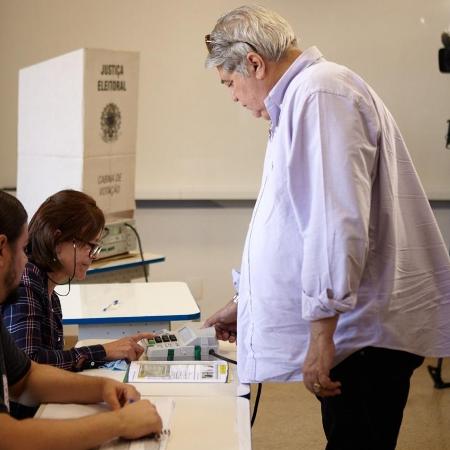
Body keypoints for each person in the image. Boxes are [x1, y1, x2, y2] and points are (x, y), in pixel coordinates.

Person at [203, 5, 450, 450]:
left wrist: (322, 336)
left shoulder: (320, 94)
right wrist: (247, 301)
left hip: (362, 340)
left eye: (229, 82)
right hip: (355, 334)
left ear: (254, 63)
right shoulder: (306, 97)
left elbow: (336, 226)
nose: (234, 97)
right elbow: (294, 228)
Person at [0, 190, 162, 449]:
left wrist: (102, 388)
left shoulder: (47, 292)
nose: (25, 260)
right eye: (21, 249)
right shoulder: (28, 283)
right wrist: (119, 423)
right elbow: (7, 436)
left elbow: (27, 375)